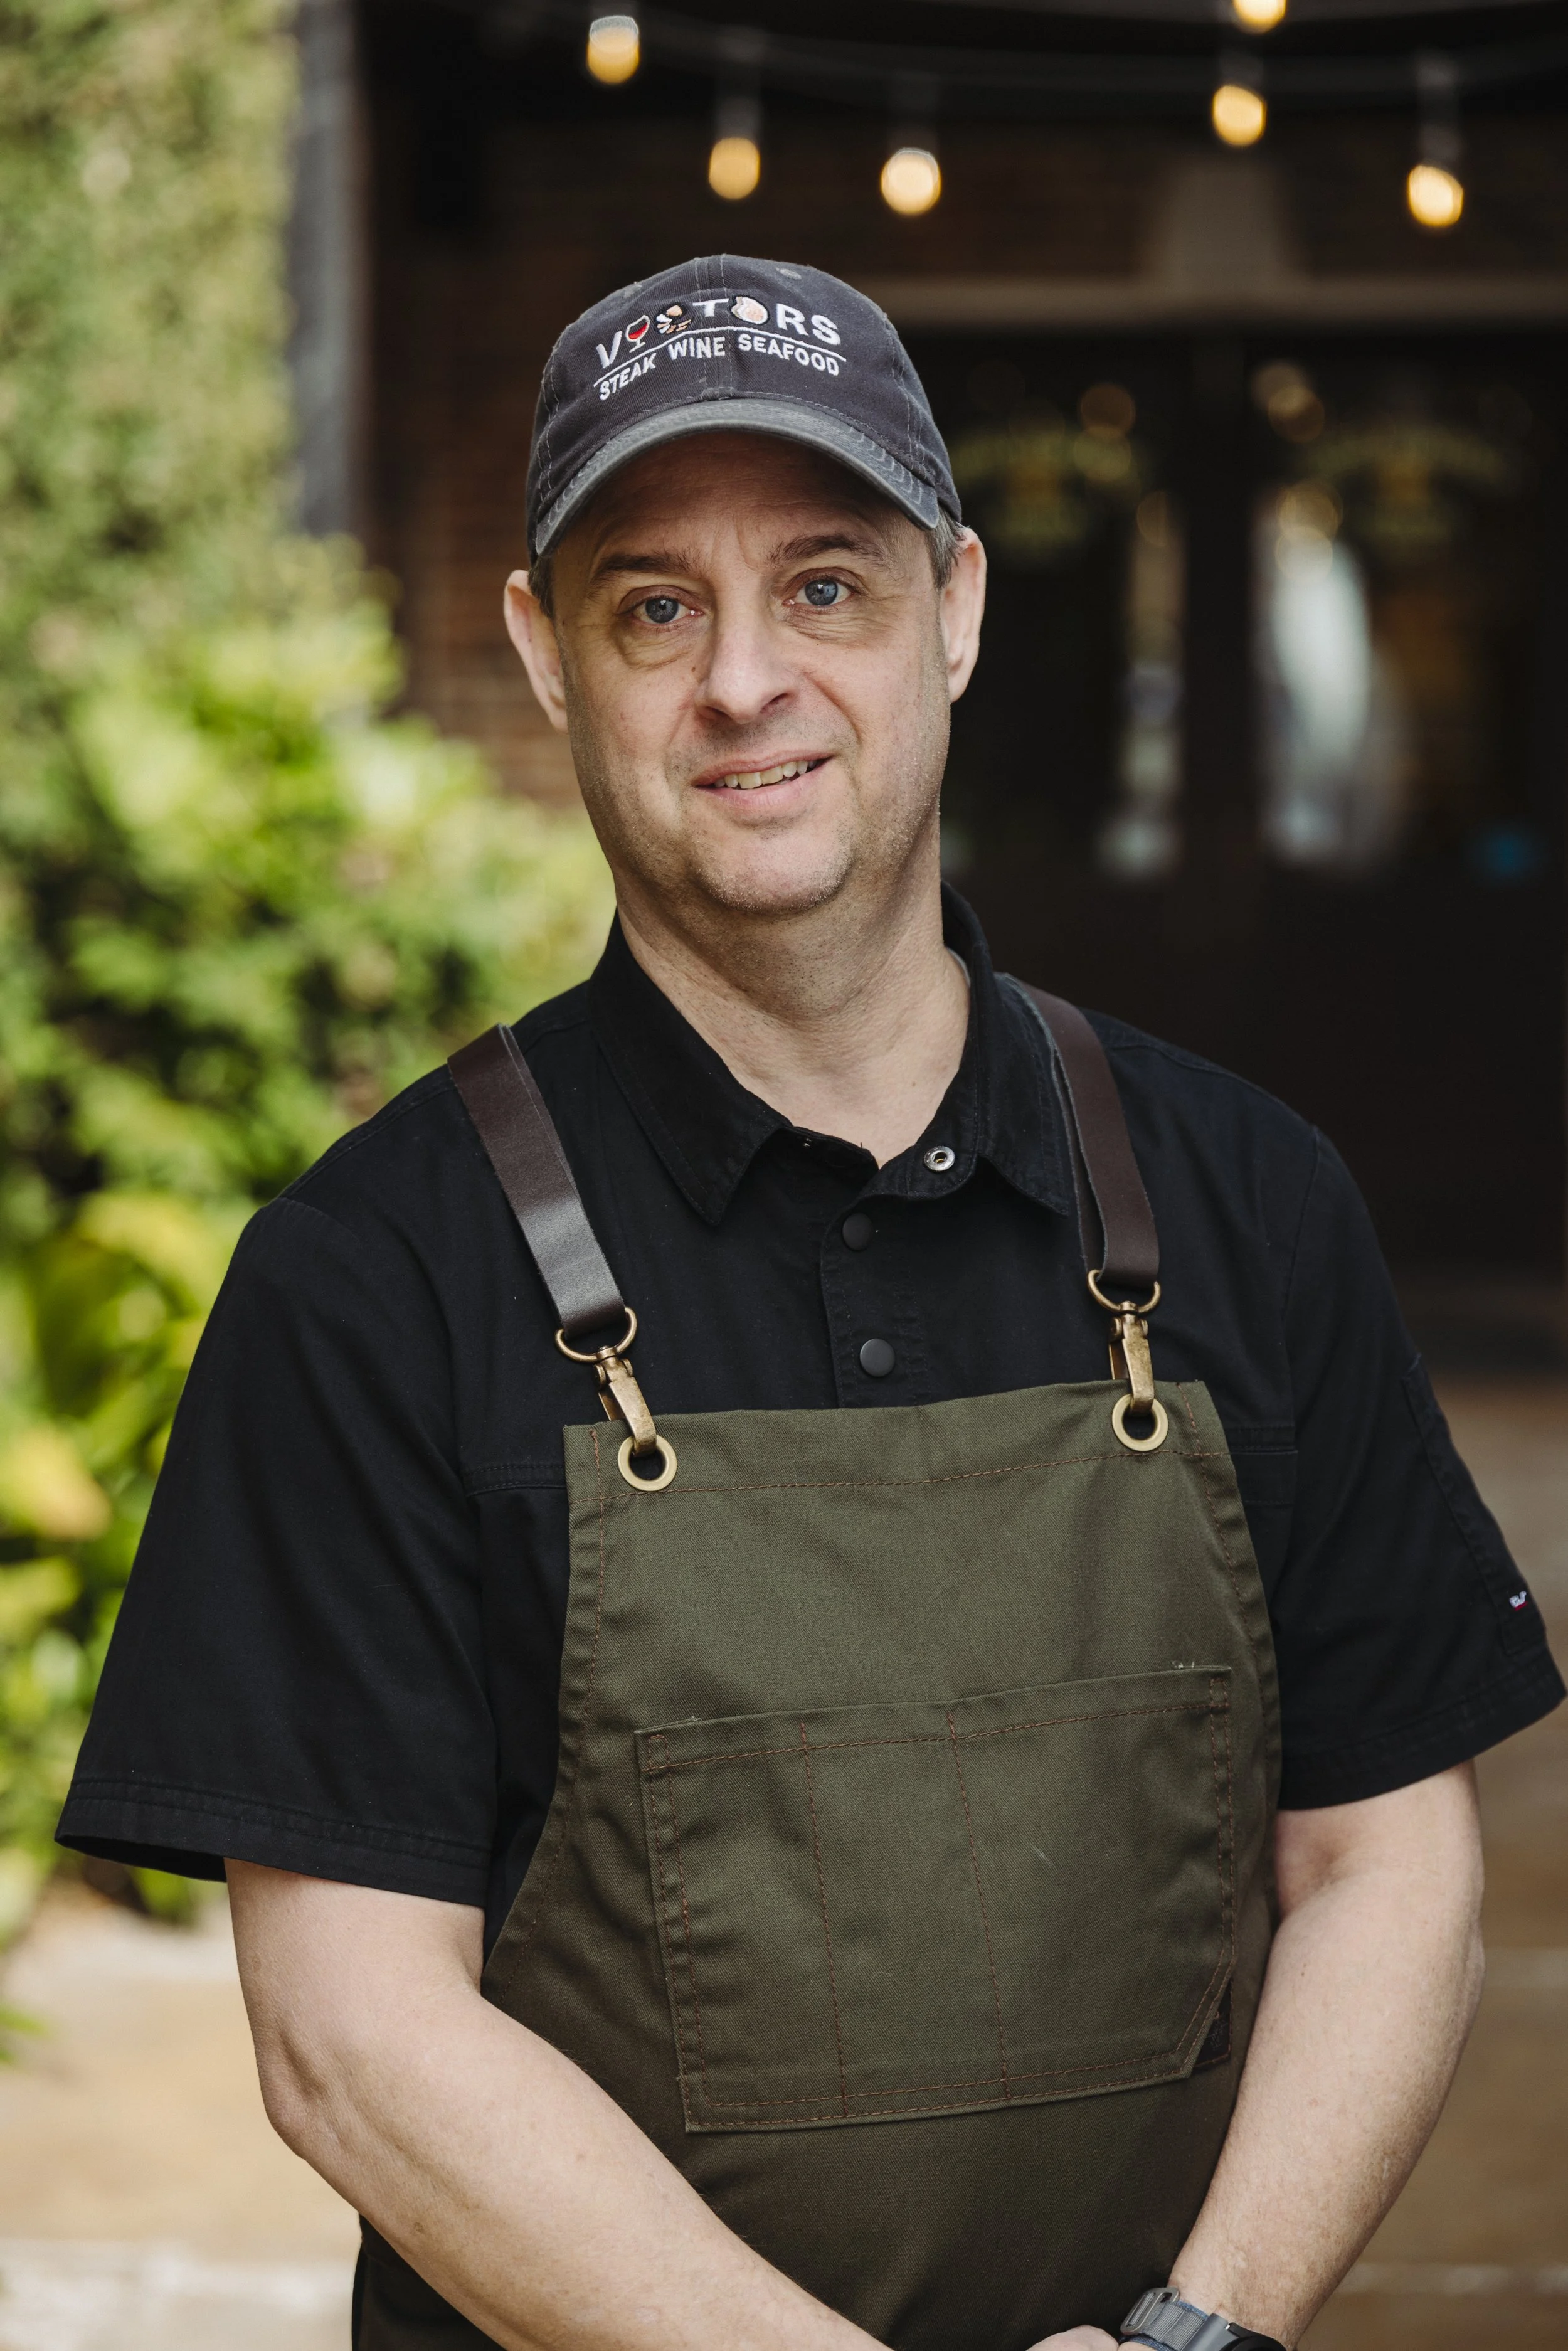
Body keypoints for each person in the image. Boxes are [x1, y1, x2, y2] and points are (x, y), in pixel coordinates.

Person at [60, 257, 1562, 2351]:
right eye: (653, 604)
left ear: (952, 606)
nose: (743, 679)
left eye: (827, 586)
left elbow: (1388, 1869)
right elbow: (351, 2034)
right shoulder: (372, 1278)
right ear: (544, 655)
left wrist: (1201, 2333)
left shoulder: (1246, 1197)